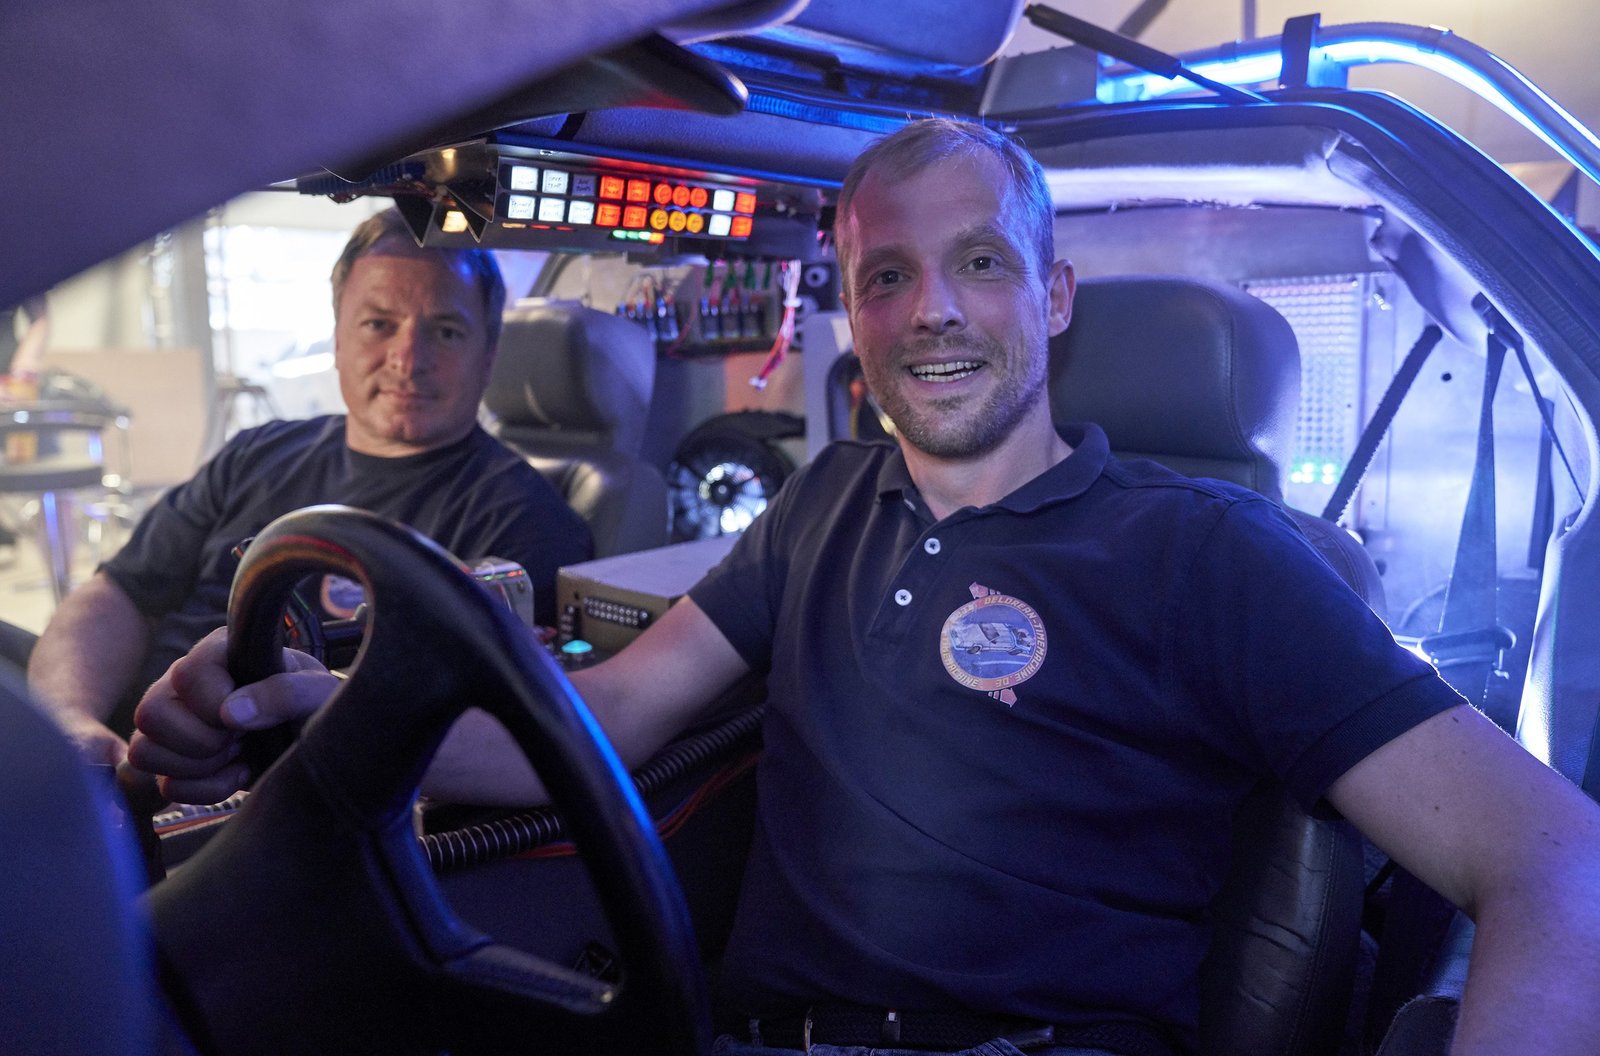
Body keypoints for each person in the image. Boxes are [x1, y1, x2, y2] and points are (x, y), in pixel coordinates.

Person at [130, 121, 1600, 1056]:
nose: (932, 308)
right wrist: (308, 702)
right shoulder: (822, 504)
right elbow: (596, 723)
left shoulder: (1211, 554)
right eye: (887, 276)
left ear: (1052, 299)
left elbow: (1555, 866)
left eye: (979, 262)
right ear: (851, 311)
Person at [29, 208, 592, 766]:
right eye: (379, 324)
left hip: (255, 790)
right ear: (338, 339)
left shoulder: (526, 524)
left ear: (488, 354)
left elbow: (470, 738)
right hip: (104, 757)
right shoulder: (256, 453)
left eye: (445, 331)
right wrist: (68, 723)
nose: (408, 360)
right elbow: (121, 592)